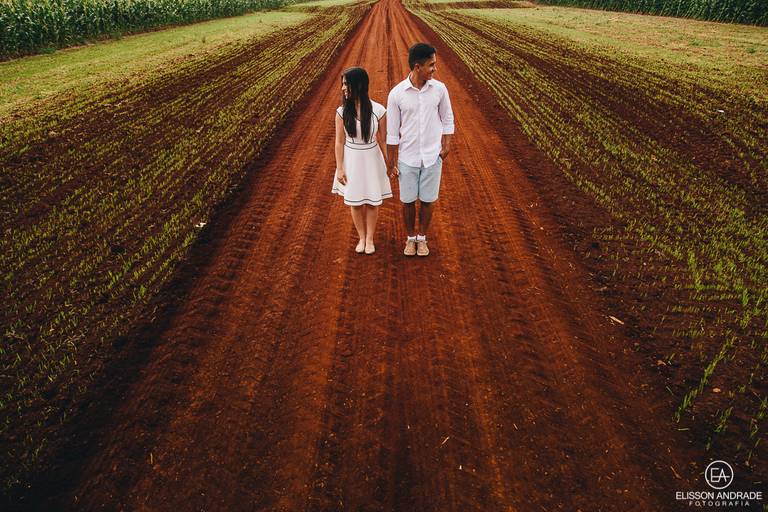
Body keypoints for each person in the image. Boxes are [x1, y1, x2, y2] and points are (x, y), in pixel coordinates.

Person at [386, 42, 454, 257]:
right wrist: (391, 162)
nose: (435, 69)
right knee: (407, 201)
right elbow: (392, 132)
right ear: (417, 67)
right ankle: (410, 238)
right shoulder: (397, 94)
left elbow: (447, 117)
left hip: (432, 156)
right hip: (407, 157)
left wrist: (447, 145)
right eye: (431, 65)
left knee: (427, 200)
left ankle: (422, 239)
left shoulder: (440, 89)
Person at [332, 67, 392, 254]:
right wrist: (339, 168)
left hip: (372, 158)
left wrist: (390, 164)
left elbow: (382, 139)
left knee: (372, 201)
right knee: (355, 202)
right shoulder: (342, 112)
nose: (343, 88)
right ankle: (361, 237)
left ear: (359, 85)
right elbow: (339, 142)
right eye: (342, 84)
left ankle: (370, 239)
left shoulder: (379, 110)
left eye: (346, 84)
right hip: (352, 159)